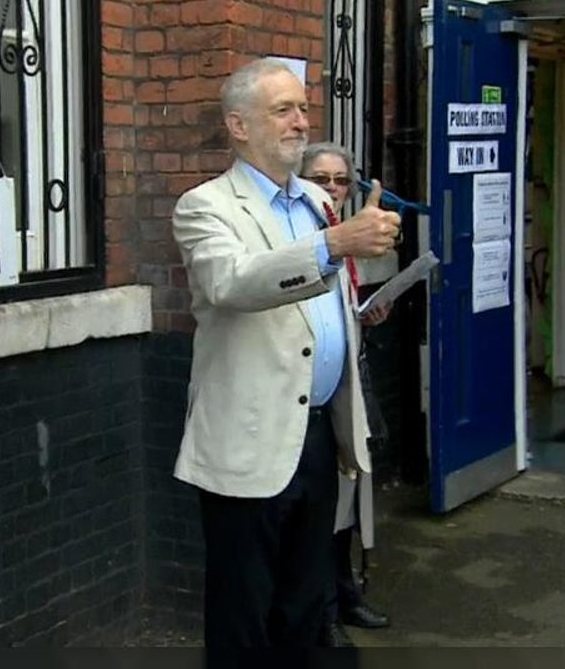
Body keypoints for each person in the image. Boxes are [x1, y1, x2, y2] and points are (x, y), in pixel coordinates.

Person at [170, 58, 401, 649]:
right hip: (250, 436)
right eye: (284, 110)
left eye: (303, 108)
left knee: (306, 603)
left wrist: (360, 310)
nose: (301, 122)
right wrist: (335, 243)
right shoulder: (207, 206)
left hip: (318, 431)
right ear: (239, 126)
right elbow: (232, 281)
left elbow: (315, 311)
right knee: (243, 611)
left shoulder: (318, 205)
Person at [299, 142, 394, 648]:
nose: (331, 188)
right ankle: (325, 614)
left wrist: (368, 314)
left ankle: (345, 592)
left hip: (349, 382)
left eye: (340, 181)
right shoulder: (302, 233)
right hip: (308, 394)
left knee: (350, 499)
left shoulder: (353, 239)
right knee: (321, 509)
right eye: (321, 177)